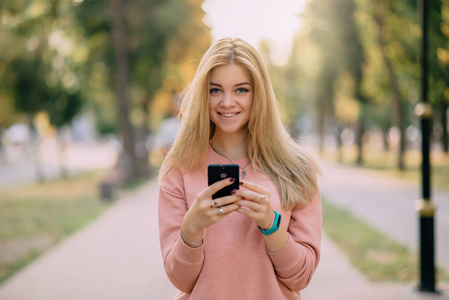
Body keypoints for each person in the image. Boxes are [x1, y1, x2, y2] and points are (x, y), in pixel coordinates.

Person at [158, 37, 321, 300]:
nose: (227, 102)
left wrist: (271, 225)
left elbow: (301, 277)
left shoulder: (297, 170)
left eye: (241, 90)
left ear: (259, 94)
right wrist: (191, 229)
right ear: (203, 94)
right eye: (215, 90)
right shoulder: (179, 170)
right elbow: (181, 280)